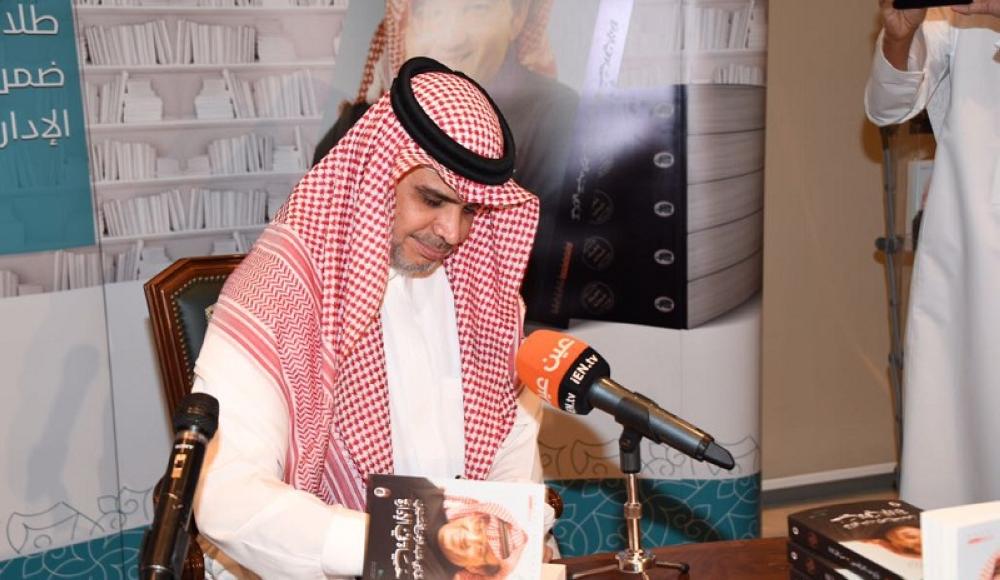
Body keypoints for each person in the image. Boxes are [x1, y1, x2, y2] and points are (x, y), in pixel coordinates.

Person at [189, 57, 547, 578]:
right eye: (432, 199)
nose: (453, 232)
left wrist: (513, 544)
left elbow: (511, 448)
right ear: (375, 174)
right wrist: (413, 547)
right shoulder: (277, 292)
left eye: (471, 210)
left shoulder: (482, 286)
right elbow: (226, 499)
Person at [314, 0, 580, 324]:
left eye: (476, 9)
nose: (451, 37)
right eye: (431, 12)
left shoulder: (559, 118)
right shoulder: (360, 126)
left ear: (518, 17)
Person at [864, 0, 999, 510]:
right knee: (966, 446)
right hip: (970, 259)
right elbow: (886, 107)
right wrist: (900, 36)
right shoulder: (952, 19)